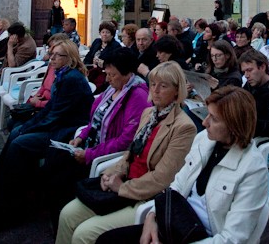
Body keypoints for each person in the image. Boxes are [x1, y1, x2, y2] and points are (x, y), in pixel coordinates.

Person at [96, 86, 269, 244]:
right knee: (106, 240)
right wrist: (152, 216)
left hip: (202, 237)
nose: (204, 122)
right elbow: (178, 184)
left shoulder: (253, 170)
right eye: (207, 114)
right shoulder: (204, 140)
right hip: (175, 222)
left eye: (214, 119)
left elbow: (232, 238)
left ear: (235, 126)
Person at [55, 62, 196, 244]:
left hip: (146, 197)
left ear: (177, 91)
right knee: (67, 214)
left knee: (84, 234)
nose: (155, 90)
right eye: (153, 84)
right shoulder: (149, 114)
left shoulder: (184, 127)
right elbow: (130, 153)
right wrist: (112, 173)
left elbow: (163, 177)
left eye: (163, 86)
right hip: (123, 184)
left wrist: (121, 187)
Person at [0, 40, 93, 225]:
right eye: (51, 53)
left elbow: (56, 115)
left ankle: (8, 204)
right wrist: (29, 125)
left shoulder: (71, 79)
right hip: (58, 124)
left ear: (69, 58)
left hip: (66, 131)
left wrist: (29, 127)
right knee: (17, 132)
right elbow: (50, 109)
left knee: (20, 142)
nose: (51, 58)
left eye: (57, 55)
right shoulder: (62, 74)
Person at [40, 47, 150, 219]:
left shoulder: (137, 97)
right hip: (90, 145)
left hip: (105, 154)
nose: (107, 79)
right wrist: (80, 137)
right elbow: (95, 120)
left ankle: (62, 216)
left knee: (61, 176)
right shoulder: (113, 88)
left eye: (112, 75)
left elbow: (125, 141)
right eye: (107, 73)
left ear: (128, 74)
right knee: (53, 160)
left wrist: (89, 154)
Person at [84, 21, 123, 92]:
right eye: (103, 32)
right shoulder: (97, 42)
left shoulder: (116, 46)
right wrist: (89, 64)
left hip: (104, 74)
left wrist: (102, 63)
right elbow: (88, 56)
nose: (105, 34)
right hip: (91, 71)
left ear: (112, 34)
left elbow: (114, 63)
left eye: (107, 32)